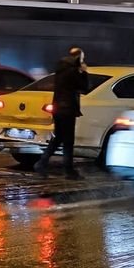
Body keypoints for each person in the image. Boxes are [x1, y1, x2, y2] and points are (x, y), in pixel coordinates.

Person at [34, 47, 89, 180]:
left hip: (59, 108)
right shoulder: (73, 71)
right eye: (82, 58)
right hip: (68, 108)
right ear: (78, 58)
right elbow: (83, 87)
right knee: (68, 141)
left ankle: (42, 163)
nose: (83, 60)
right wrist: (84, 72)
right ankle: (69, 171)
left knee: (58, 138)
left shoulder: (61, 69)